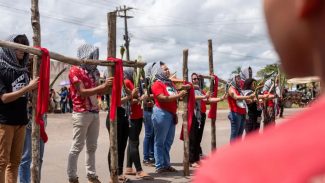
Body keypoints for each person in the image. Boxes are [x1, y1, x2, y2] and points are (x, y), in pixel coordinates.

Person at [194, 0, 325, 182]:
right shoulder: (235, 87)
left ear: (302, 4)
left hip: (245, 116)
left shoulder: (225, 174)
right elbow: (240, 97)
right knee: (239, 137)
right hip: (239, 114)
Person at [67, 44, 113, 183]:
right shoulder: (75, 70)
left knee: (92, 146)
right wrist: (103, 86)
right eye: (93, 56)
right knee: (77, 146)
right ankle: (72, 176)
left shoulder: (96, 72)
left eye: (96, 56)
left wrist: (108, 87)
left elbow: (99, 91)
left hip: (94, 112)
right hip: (81, 112)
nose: (95, 59)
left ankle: (91, 175)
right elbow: (81, 92)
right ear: (85, 56)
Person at [0, 34, 39, 183]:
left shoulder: (23, 70)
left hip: (21, 122)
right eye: (18, 47)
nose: (22, 51)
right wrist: (28, 88)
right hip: (5, 122)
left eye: (24, 47)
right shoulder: (1, 68)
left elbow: (24, 97)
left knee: (15, 162)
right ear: (10, 48)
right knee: (2, 162)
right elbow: (4, 98)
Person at [151, 61, 187, 173]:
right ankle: (159, 165)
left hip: (170, 114)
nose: (168, 71)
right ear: (159, 71)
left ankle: (166, 164)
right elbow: (162, 98)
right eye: (165, 69)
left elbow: (175, 98)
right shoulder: (157, 84)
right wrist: (179, 95)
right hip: (161, 113)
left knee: (168, 141)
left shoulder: (170, 83)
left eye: (167, 69)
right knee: (160, 141)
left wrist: (175, 112)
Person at [189, 73, 225, 168]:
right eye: (193, 79)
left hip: (201, 116)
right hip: (193, 116)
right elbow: (193, 98)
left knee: (198, 139)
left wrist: (221, 98)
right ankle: (191, 160)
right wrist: (204, 97)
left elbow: (208, 100)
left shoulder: (201, 91)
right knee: (192, 139)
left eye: (197, 79)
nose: (195, 80)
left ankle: (197, 159)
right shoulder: (190, 89)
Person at [123, 69, 152, 180]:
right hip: (132, 117)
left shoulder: (133, 83)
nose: (136, 75)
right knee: (134, 143)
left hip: (137, 116)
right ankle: (139, 170)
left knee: (132, 142)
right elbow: (126, 101)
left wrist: (141, 98)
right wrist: (140, 99)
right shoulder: (127, 82)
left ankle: (129, 167)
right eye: (134, 73)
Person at [227, 74, 254, 141]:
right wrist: (248, 97)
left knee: (239, 135)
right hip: (235, 114)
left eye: (240, 78)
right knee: (235, 135)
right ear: (233, 79)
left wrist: (252, 100)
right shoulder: (231, 89)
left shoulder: (239, 90)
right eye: (238, 78)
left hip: (242, 114)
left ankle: (237, 151)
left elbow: (245, 101)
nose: (240, 80)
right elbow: (236, 97)